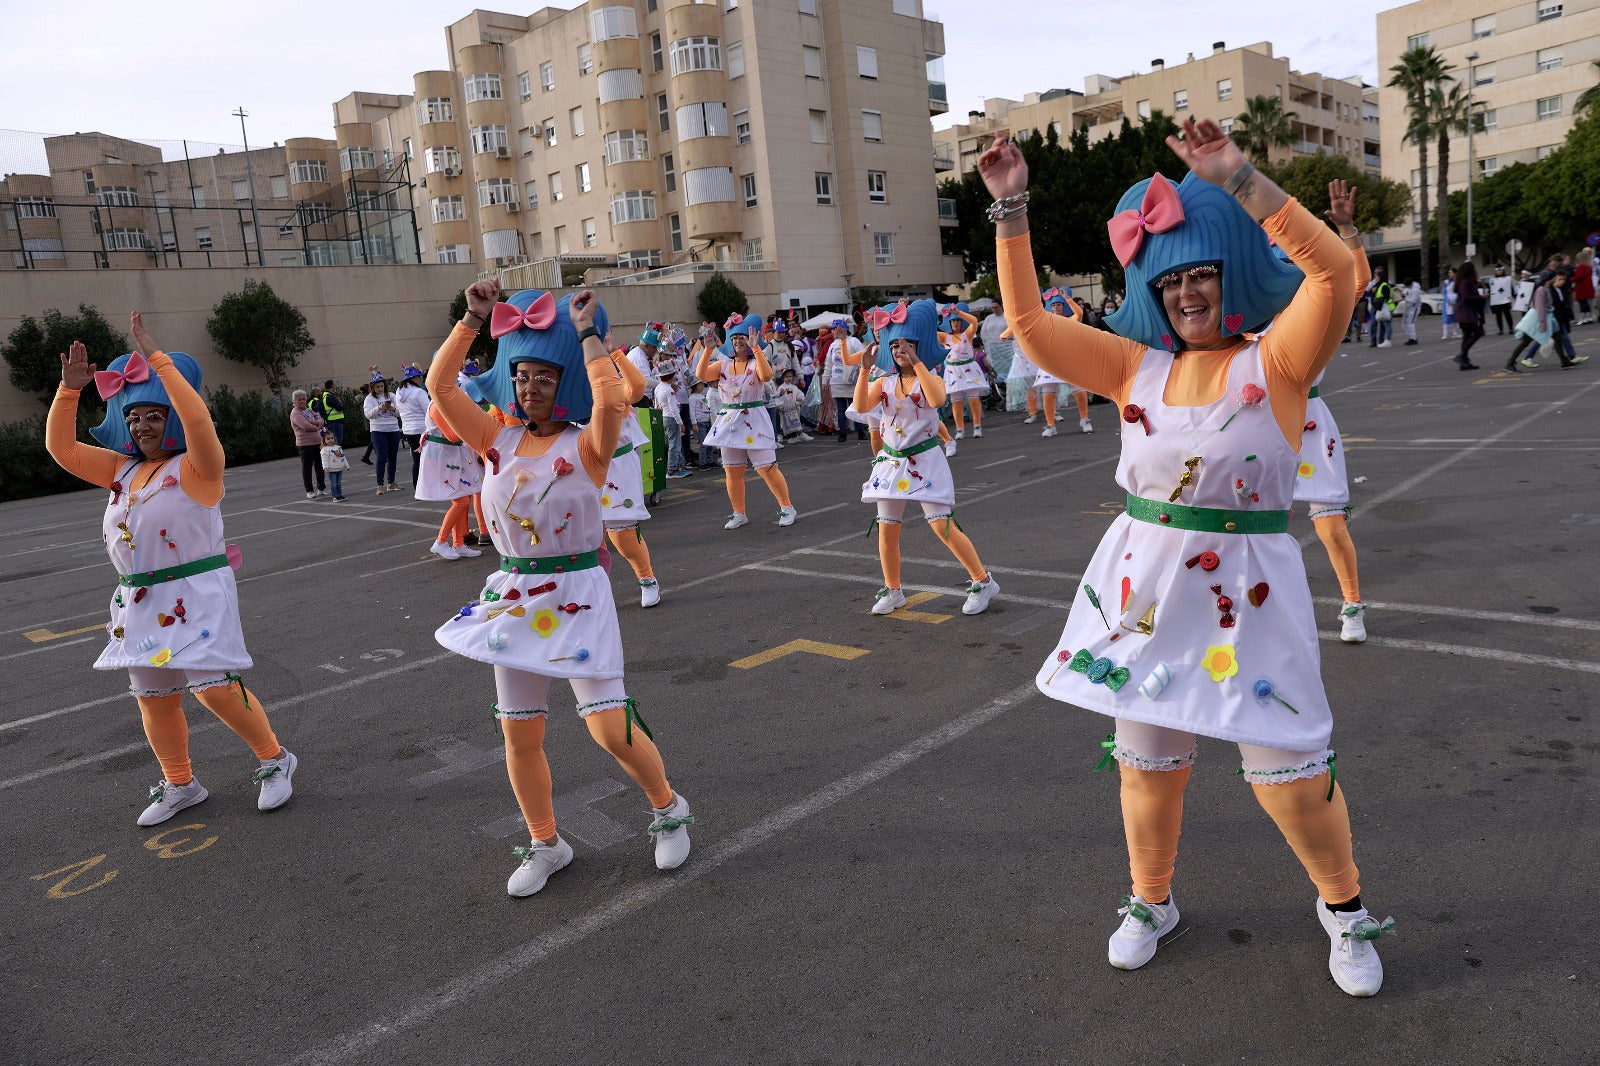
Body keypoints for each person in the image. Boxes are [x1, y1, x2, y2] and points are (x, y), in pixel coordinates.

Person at [983, 117, 1392, 996]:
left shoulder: (1281, 360)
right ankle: (1151, 900)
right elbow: (1025, 323)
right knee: (1145, 773)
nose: (1187, 292)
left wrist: (1238, 177)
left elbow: (1331, 271)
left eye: (1201, 270)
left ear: (1231, 271)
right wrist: (1011, 212)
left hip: (1250, 600)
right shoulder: (1135, 367)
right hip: (1142, 597)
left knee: (1288, 776)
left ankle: (1345, 910)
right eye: (1169, 278)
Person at [427, 281, 694, 897]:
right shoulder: (497, 440)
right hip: (513, 595)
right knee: (519, 733)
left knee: (607, 727)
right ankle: (546, 841)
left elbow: (611, 401)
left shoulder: (590, 445)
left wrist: (589, 334)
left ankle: (667, 806)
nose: (530, 387)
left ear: (564, 381)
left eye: (544, 377)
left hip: (577, 589)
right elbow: (442, 387)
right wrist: (471, 318)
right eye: (520, 377)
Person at [46, 314, 298, 827]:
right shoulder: (121, 468)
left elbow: (200, 422)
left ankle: (275, 760)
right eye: (134, 416)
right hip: (137, 599)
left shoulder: (198, 467)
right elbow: (62, 449)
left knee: (214, 689)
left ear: (173, 420)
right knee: (154, 699)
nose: (143, 426)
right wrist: (68, 392)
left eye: (155, 416)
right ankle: (181, 782)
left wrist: (159, 361)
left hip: (197, 590)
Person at [857, 299, 1001, 617]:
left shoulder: (931, 378)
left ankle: (983, 580)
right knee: (887, 528)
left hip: (925, 462)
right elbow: (863, 406)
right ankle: (893, 589)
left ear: (919, 346)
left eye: (906, 344)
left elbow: (936, 399)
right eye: (893, 344)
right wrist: (865, 368)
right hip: (891, 463)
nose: (899, 349)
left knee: (942, 526)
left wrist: (919, 362)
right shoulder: (884, 382)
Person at [1302, 179, 1370, 643]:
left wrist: (1347, 231)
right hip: (1252, 425)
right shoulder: (1240, 312)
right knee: (1235, 526)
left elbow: (1358, 281)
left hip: (1307, 425)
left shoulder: (1317, 303)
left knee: (1330, 526)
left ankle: (1352, 606)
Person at [696, 313, 798, 528]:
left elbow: (767, 375)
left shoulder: (755, 362)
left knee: (766, 468)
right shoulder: (722, 365)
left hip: (754, 418)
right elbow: (702, 374)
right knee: (732, 471)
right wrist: (707, 349)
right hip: (729, 420)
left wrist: (757, 349)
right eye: (734, 338)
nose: (738, 341)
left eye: (742, 337)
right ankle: (738, 513)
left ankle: (787, 507)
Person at [416, 381, 486, 561]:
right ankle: (440, 541)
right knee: (461, 501)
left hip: (451, 454)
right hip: (443, 457)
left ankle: (458, 543)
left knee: (464, 496)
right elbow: (453, 435)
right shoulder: (437, 407)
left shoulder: (444, 405)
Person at [940, 303, 990, 440]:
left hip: (968, 369)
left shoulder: (967, 335)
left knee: (973, 399)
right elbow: (927, 331)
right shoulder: (944, 337)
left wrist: (958, 313)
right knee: (957, 401)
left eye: (957, 320)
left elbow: (974, 321)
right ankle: (960, 429)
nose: (955, 322)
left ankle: (977, 426)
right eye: (953, 320)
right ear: (949, 323)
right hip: (953, 371)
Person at [822, 318, 867, 442]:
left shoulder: (854, 341)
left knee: (856, 406)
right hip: (837, 381)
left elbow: (862, 357)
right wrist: (825, 380)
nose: (833, 332)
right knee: (841, 409)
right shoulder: (832, 345)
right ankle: (842, 432)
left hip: (852, 381)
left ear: (842, 329)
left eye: (835, 329)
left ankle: (860, 431)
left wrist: (858, 372)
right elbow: (829, 364)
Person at [363, 370, 402, 494]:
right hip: (378, 430)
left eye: (381, 386)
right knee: (381, 457)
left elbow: (400, 413)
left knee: (393, 456)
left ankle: (391, 482)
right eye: (377, 387)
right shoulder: (369, 399)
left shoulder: (391, 395)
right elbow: (368, 415)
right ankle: (379, 484)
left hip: (393, 429)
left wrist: (393, 408)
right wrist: (379, 408)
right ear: (372, 388)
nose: (380, 389)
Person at [395, 363, 431, 489]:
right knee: (428, 460)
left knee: (417, 460)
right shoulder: (418, 392)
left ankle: (417, 487)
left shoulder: (399, 392)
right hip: (422, 430)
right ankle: (427, 488)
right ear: (413, 378)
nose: (420, 379)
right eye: (418, 377)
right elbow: (428, 411)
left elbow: (399, 411)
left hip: (408, 431)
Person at [290, 389, 327, 499]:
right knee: (307, 467)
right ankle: (309, 490)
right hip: (305, 444)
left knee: (320, 466)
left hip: (318, 442)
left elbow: (321, 419)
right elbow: (306, 426)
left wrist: (316, 422)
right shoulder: (295, 413)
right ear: (294, 402)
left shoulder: (308, 410)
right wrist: (318, 426)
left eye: (303, 399)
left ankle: (321, 488)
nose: (302, 401)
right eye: (299, 400)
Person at [655, 368, 691, 479]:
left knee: (672, 444)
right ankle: (672, 470)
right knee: (674, 445)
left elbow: (656, 404)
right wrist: (680, 423)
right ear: (670, 376)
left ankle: (678, 466)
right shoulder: (668, 390)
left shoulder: (658, 387)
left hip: (664, 417)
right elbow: (673, 408)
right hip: (671, 418)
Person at [1452, 262, 1486, 370]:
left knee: (1466, 337)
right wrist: (1481, 297)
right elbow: (1466, 298)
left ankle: (1464, 363)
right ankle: (1461, 356)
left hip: (1464, 313)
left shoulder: (1464, 281)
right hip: (1466, 313)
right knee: (1479, 332)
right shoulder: (1465, 282)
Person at [775, 368, 809, 443]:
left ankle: (796, 436)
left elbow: (799, 394)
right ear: (783, 378)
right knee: (787, 423)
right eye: (787, 377)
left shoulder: (794, 387)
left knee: (794, 422)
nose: (789, 378)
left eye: (790, 376)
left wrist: (799, 398)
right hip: (785, 409)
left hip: (793, 409)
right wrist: (779, 405)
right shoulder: (781, 388)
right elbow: (778, 397)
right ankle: (790, 437)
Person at [310, 379, 346, 443]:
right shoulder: (330, 396)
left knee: (333, 441)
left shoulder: (325, 396)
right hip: (335, 421)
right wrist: (340, 403)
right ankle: (337, 453)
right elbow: (339, 407)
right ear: (332, 386)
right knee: (337, 441)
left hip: (330, 421)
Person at [319, 428, 349, 502]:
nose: (330, 440)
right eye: (328, 439)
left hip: (339, 469)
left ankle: (340, 495)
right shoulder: (325, 450)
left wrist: (346, 465)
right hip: (331, 470)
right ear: (324, 440)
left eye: (332, 438)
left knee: (338, 484)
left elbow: (343, 457)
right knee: (334, 484)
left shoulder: (338, 447)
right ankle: (335, 497)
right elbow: (324, 459)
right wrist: (326, 467)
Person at [1367, 269, 1393, 348]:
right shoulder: (1377, 284)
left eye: (1377, 275)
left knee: (1386, 324)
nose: (1376, 277)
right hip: (1378, 306)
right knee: (1375, 323)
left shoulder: (1384, 285)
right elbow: (1368, 289)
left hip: (1382, 307)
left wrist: (1379, 300)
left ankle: (1385, 340)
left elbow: (1386, 297)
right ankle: (1376, 341)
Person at [1488, 266, 1515, 334]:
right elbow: (1491, 289)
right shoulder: (1492, 280)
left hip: (1505, 300)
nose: (1499, 272)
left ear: (1503, 271)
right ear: (1495, 271)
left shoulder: (1507, 279)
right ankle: (1500, 329)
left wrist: (1513, 295)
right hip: (1496, 300)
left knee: (1507, 314)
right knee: (1498, 316)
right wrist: (1489, 296)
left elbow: (1510, 288)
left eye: (1501, 270)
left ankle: (1511, 328)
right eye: (1498, 270)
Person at [1441, 267, 1458, 340]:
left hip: (1455, 300)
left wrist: (1456, 301)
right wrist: (1448, 301)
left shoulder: (1458, 282)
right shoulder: (1446, 282)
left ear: (1455, 273)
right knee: (1446, 317)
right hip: (1447, 301)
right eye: (1449, 273)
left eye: (1451, 272)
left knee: (1454, 317)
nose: (1449, 274)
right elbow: (1444, 293)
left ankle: (1455, 333)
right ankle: (1445, 334)